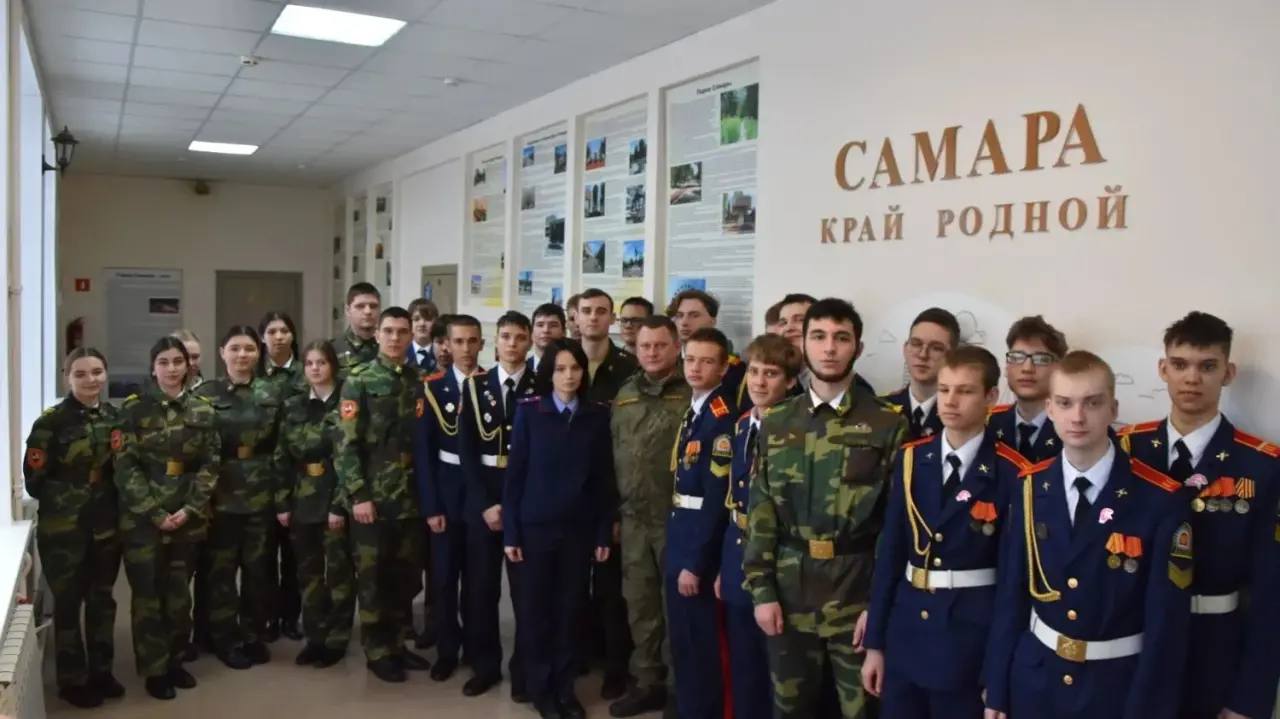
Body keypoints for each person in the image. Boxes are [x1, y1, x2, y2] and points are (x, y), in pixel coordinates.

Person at [982, 351, 1193, 719]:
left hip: (1113, 691)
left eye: (1092, 403)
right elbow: (1011, 596)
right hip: (1035, 682)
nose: (1077, 417)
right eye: (1065, 403)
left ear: (1113, 408)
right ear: (1050, 408)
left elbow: (1166, 627)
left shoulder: (1160, 499)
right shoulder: (1029, 486)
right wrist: (997, 689)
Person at [744, 297, 907, 719]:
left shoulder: (887, 423)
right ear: (803, 344)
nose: (829, 348)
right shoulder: (778, 420)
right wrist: (762, 591)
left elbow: (895, 524)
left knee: (862, 710)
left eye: (841, 338)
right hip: (789, 590)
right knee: (789, 708)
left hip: (856, 592)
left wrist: (879, 606)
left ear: (858, 346)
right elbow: (761, 511)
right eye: (818, 336)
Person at [1116, 312, 1280, 719]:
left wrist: (1249, 698)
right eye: (1180, 364)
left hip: (1213, 651)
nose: (1192, 378)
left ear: (1228, 373)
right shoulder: (1126, 450)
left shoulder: (1262, 466)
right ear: (1163, 369)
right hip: (1132, 645)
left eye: (1207, 366)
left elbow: (1271, 594)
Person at [860, 346, 1029, 718]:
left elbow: (1011, 586)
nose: (950, 401)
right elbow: (891, 556)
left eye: (965, 391)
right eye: (944, 389)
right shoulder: (912, 458)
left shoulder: (1012, 472)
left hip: (967, 643)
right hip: (906, 635)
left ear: (991, 397)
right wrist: (876, 644)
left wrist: (996, 674)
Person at [503, 338, 616, 719]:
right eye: (561, 369)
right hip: (535, 530)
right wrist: (511, 533)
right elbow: (515, 477)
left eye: (576, 368)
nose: (569, 376)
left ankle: (565, 688)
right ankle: (541, 689)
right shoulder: (530, 412)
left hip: (578, 532)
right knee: (537, 613)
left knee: (571, 612)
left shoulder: (595, 416)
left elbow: (603, 480)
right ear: (549, 373)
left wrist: (602, 532)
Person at [116, 337, 220, 700]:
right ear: (153, 367)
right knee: (148, 595)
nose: (172, 368)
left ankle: (175, 660)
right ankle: (154, 670)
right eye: (164, 362)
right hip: (143, 521)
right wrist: (155, 512)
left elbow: (210, 464)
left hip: (187, 517)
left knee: (178, 595)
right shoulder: (133, 410)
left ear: (188, 365)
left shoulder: (204, 410)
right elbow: (125, 466)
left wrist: (190, 509)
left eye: (178, 361)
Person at [335, 306, 431, 683]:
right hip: (373, 497)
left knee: (404, 577)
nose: (395, 338)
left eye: (402, 332)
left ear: (410, 336)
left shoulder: (418, 379)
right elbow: (346, 445)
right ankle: (377, 651)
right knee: (373, 576)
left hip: (410, 497)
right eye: (388, 331)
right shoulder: (358, 380)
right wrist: (358, 494)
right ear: (377, 335)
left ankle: (397, 644)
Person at [24, 348, 124, 708]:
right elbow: (34, 481)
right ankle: (72, 680)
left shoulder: (114, 417)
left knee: (102, 600)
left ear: (106, 374)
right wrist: (71, 494)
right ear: (67, 377)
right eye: (80, 374)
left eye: (97, 372)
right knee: (67, 604)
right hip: (64, 529)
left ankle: (102, 671)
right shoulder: (50, 423)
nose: (90, 380)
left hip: (105, 525)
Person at [609, 316, 691, 718]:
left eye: (660, 345)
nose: (652, 352)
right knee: (639, 605)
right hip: (634, 519)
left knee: (675, 608)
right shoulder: (625, 393)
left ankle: (678, 689)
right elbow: (611, 454)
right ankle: (646, 682)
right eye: (645, 346)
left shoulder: (692, 391)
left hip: (675, 520)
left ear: (677, 347)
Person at [716, 334, 802, 719]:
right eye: (753, 372)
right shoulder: (742, 425)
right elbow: (735, 500)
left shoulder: (799, 431)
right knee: (743, 663)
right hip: (739, 554)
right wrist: (725, 565)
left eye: (771, 374)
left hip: (779, 563)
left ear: (790, 381)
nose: (759, 382)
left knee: (779, 670)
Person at [194, 326, 285, 669]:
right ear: (222, 353)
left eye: (248, 349)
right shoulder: (206, 393)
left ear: (258, 353)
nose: (242, 355)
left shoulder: (272, 392)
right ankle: (224, 639)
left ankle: (252, 634)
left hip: (261, 491)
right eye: (235, 348)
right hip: (221, 493)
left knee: (259, 571)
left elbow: (281, 444)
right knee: (221, 571)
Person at [456, 311, 537, 698]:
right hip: (484, 500)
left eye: (520, 337)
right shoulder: (475, 386)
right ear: (496, 341)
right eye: (506, 336)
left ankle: (524, 672)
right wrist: (485, 504)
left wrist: (516, 506)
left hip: (525, 501)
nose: (512, 344)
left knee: (526, 594)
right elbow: (467, 453)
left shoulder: (541, 386)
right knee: (481, 590)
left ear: (529, 342)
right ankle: (484, 666)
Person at [667, 327, 737, 718]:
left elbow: (716, 500)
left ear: (723, 368)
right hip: (680, 529)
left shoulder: (720, 418)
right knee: (682, 637)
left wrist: (695, 562)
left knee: (698, 642)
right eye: (690, 359)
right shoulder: (696, 408)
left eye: (707, 361)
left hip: (697, 542)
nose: (695, 368)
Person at [272, 340, 355, 669]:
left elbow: (350, 459)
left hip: (335, 496)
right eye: (309, 363)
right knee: (308, 573)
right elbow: (281, 456)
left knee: (338, 574)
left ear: (333, 365)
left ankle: (336, 640)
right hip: (302, 498)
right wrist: (282, 502)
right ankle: (315, 637)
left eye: (322, 362)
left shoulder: (347, 403)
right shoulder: (293, 406)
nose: (316, 368)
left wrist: (339, 505)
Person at [577, 288, 638, 696]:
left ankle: (616, 666)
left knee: (611, 588)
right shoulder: (564, 362)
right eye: (586, 311)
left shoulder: (628, 368)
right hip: (570, 491)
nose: (594, 317)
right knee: (571, 584)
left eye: (602, 311)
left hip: (611, 488)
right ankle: (579, 652)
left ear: (612, 319)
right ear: (576, 317)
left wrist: (617, 509)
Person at [419, 314, 486, 682]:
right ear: (445, 344)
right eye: (458, 341)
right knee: (444, 579)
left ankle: (476, 649)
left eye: (472, 341)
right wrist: (431, 506)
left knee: (478, 581)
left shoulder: (491, 385)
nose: (465, 348)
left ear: (481, 344)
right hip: (446, 492)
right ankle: (447, 649)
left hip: (480, 495)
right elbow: (425, 453)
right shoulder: (433, 388)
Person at [257, 310, 304, 643]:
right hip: (259, 478)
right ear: (262, 337)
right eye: (271, 331)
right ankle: (266, 617)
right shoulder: (253, 374)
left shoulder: (305, 372)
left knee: (294, 554)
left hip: (297, 476)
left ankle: (290, 616)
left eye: (284, 330)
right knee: (262, 555)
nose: (278, 336)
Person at [987, 316, 1069, 462]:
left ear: (1059, 370)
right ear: (1006, 368)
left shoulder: (1074, 427)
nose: (1027, 368)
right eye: (1017, 357)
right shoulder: (988, 424)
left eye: (1041, 359)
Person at [880, 308, 960, 440]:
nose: (923, 355)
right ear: (905, 349)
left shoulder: (960, 415)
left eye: (936, 348)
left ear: (953, 356)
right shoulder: (879, 409)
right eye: (916, 344)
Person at [667, 288, 748, 410]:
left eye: (694, 315)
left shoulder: (734, 370)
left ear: (712, 321)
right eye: (679, 316)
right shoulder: (667, 363)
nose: (684, 322)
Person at [333, 282, 382, 378]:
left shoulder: (389, 347)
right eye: (360, 306)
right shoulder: (332, 350)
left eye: (373, 306)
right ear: (348, 310)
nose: (368, 311)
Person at [530, 303, 567, 373]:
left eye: (553, 325)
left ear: (564, 332)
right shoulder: (521, 370)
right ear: (531, 332)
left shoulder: (574, 370)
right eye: (540, 325)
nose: (546, 330)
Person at [408, 298, 441, 372]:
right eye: (416, 319)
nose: (422, 323)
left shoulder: (442, 354)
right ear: (409, 323)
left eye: (428, 319)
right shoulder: (401, 353)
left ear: (436, 322)